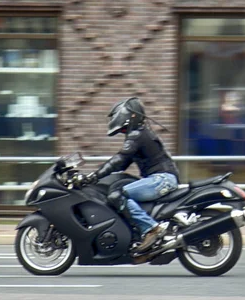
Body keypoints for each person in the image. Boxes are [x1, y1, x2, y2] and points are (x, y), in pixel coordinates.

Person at [74, 97, 180, 253]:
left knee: (117, 195)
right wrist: (97, 176)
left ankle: (152, 229)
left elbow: (119, 159)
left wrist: (93, 176)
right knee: (118, 187)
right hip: (161, 179)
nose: (122, 130)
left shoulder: (137, 135)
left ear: (129, 115)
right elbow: (122, 163)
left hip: (161, 179)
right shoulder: (140, 134)